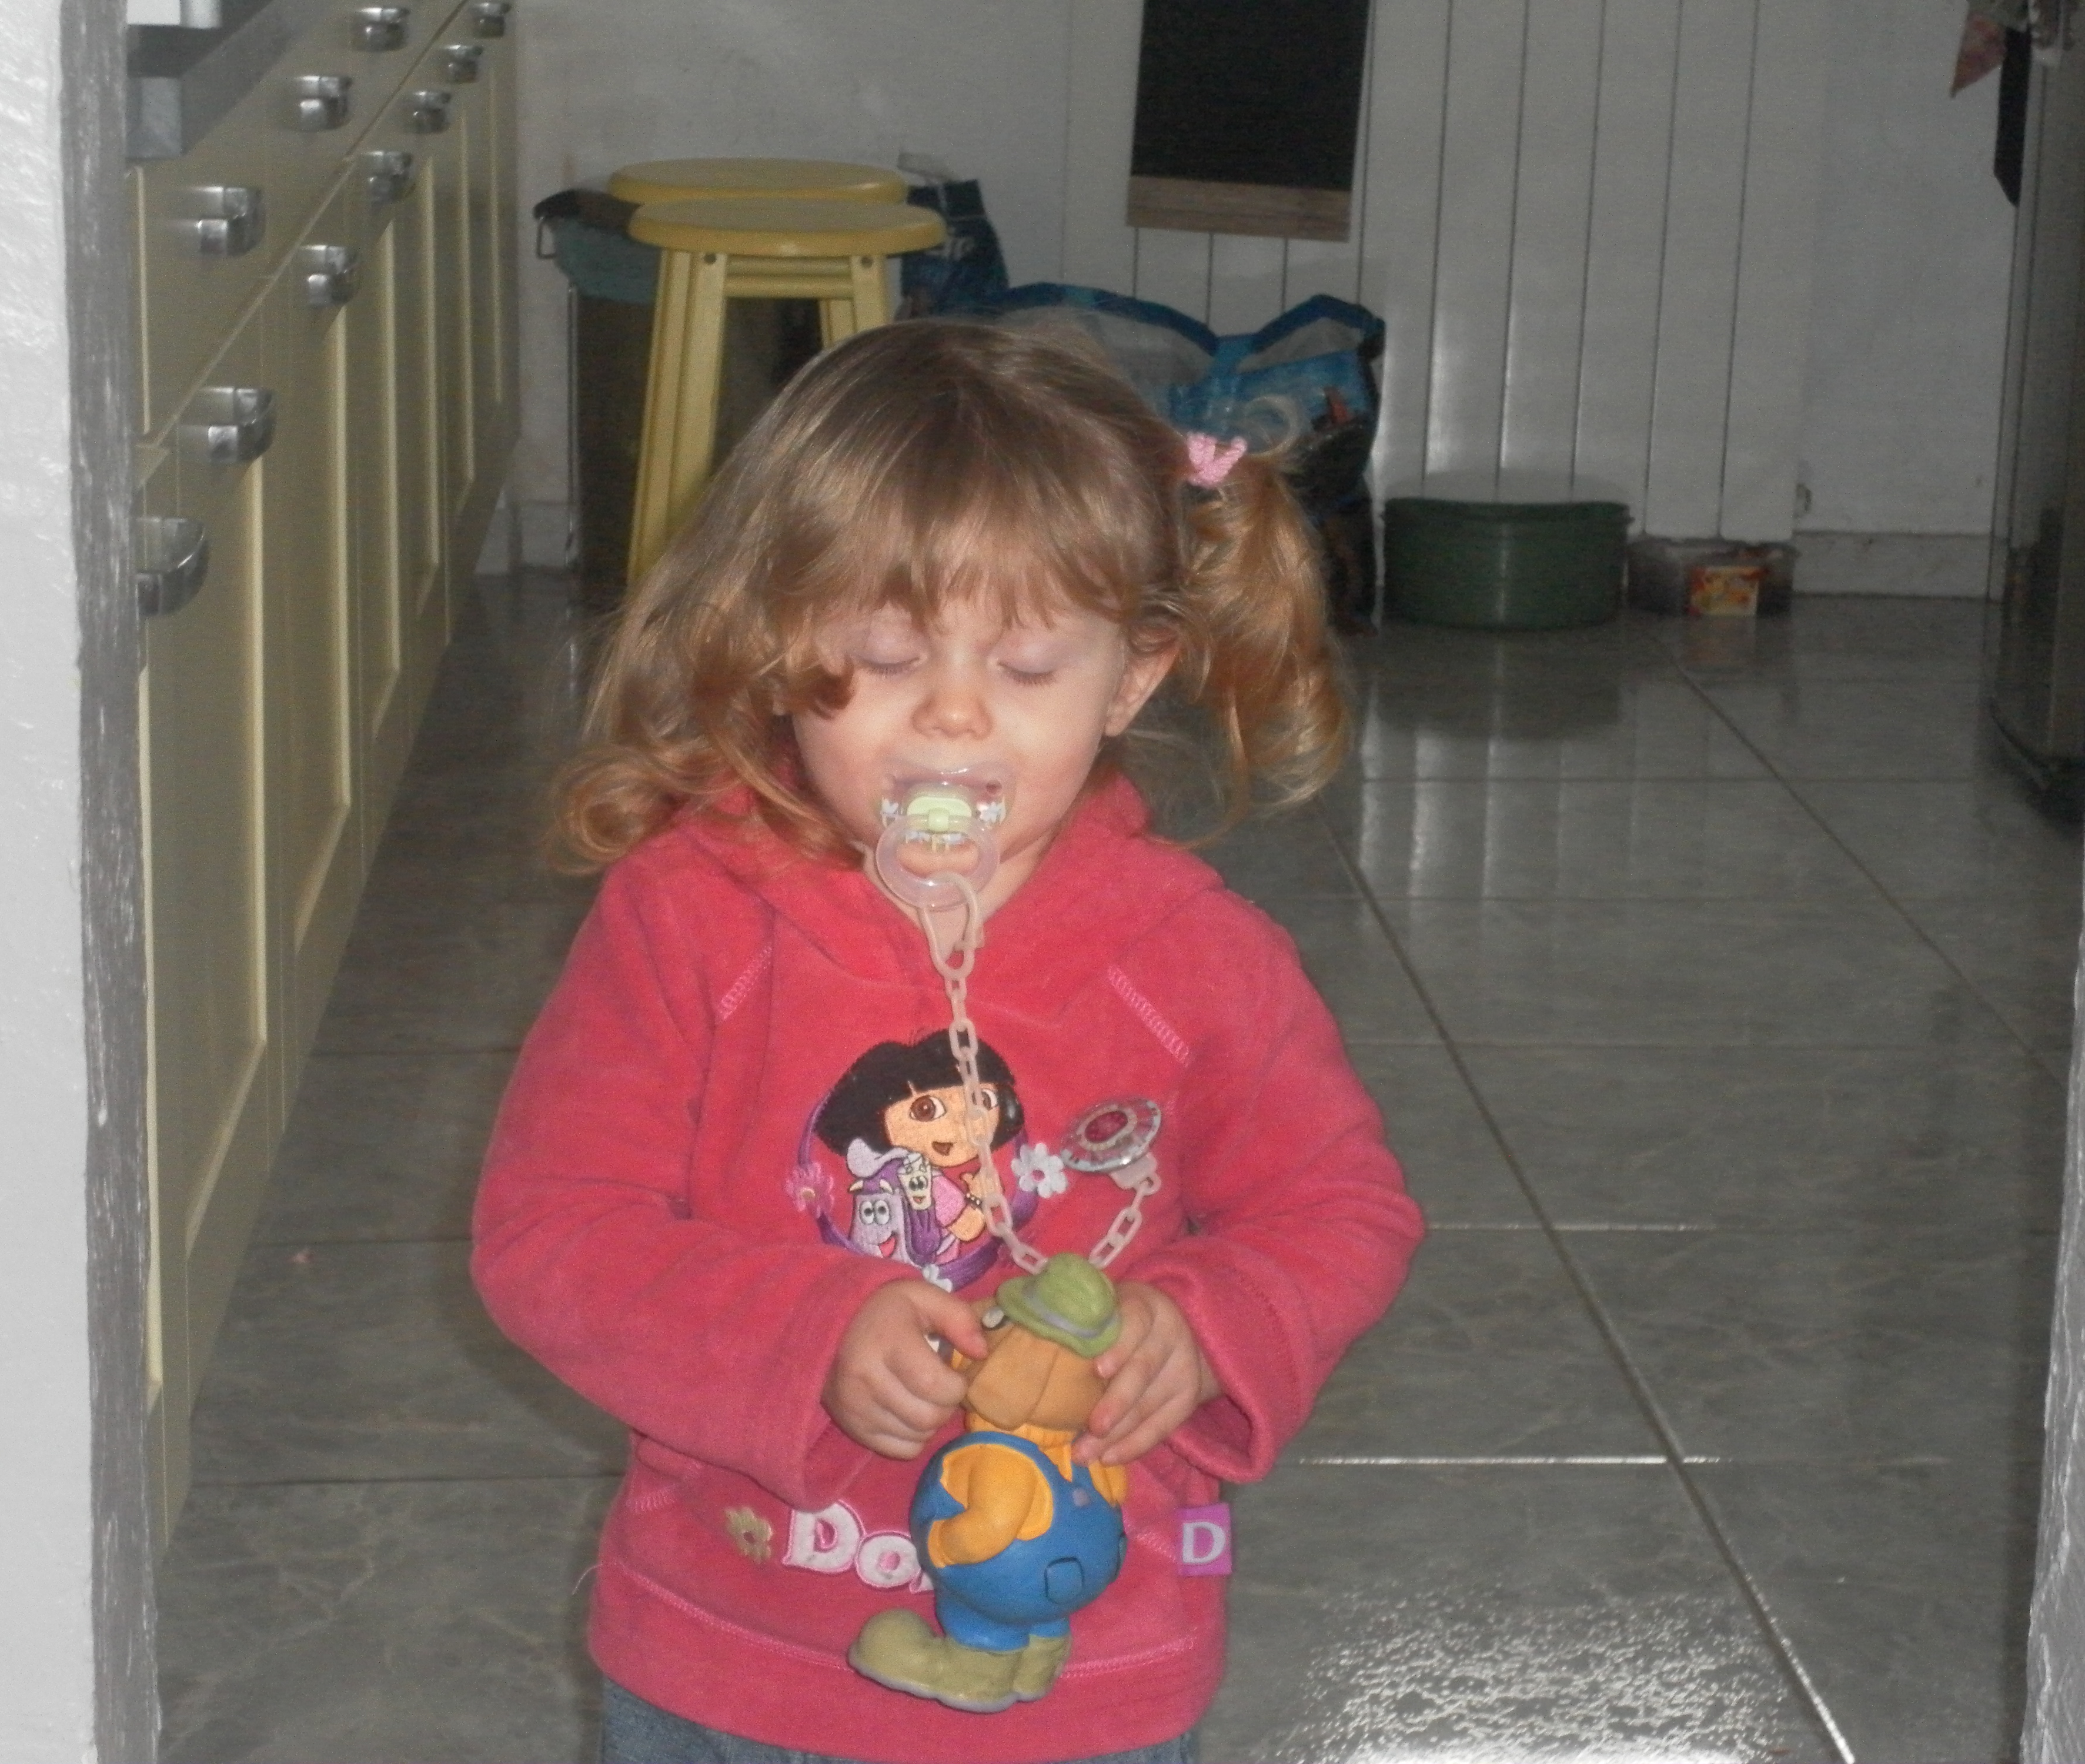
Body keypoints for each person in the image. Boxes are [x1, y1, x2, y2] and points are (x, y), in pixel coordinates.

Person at [472, 319, 1424, 1764]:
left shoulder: (1196, 958)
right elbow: (552, 1234)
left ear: (1130, 679)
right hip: (732, 1654)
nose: (956, 711)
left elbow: (1339, 1210)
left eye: (1028, 664)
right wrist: (802, 1332)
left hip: (1078, 1679)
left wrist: (1206, 1323)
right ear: (777, 646)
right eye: (884, 653)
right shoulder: (690, 921)